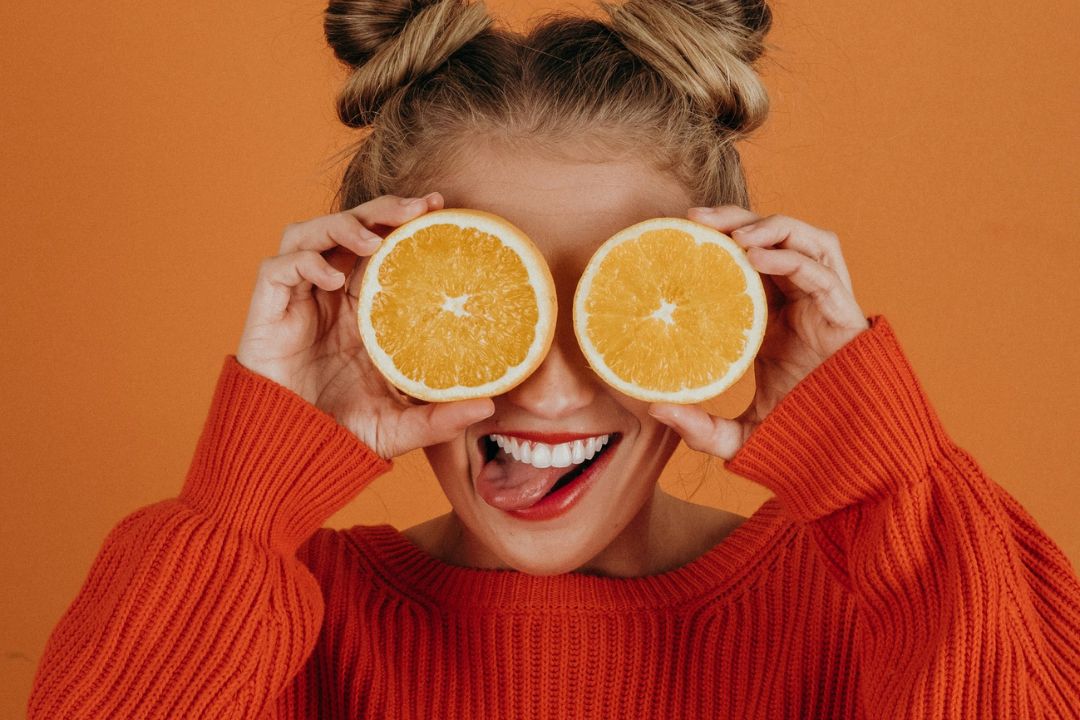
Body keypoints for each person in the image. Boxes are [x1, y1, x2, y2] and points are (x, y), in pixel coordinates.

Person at [28, 0, 1080, 717]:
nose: (551, 385)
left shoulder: (882, 603)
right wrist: (246, 494)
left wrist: (885, 475)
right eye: (490, 300)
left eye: (618, 296)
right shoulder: (284, 626)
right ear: (372, 306)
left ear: (726, 302)